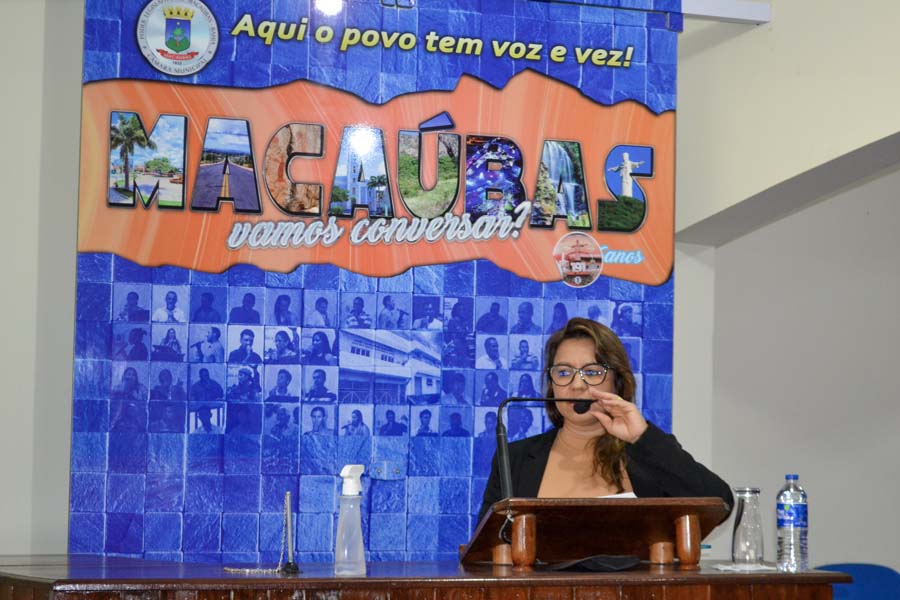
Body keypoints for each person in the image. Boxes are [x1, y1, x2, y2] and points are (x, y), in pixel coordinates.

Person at [479, 318, 733, 520]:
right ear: (551, 384)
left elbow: (719, 503)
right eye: (564, 372)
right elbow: (487, 551)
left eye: (592, 372)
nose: (577, 385)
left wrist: (641, 437)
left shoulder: (649, 451)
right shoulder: (515, 459)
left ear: (617, 382)